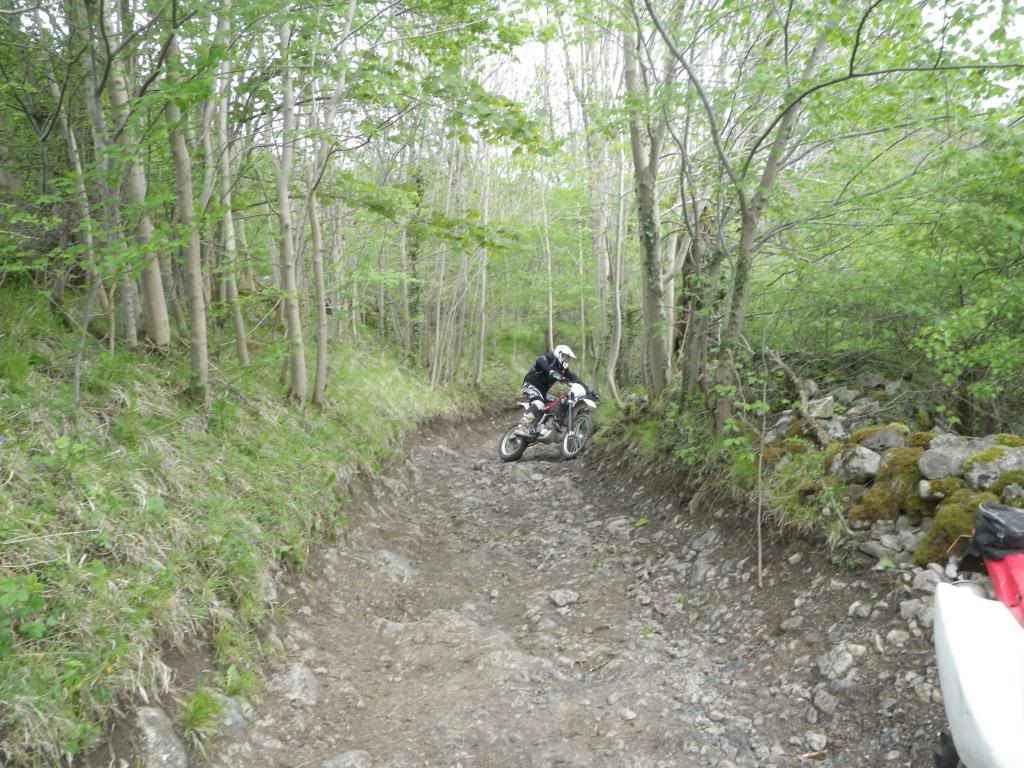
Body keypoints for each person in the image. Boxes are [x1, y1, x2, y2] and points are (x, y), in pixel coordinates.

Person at [515, 344, 581, 437]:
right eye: (565, 356)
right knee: (538, 403)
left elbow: (573, 378)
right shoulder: (551, 357)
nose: (566, 359)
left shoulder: (562, 369)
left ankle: (542, 426)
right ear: (559, 353)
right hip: (531, 384)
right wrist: (551, 371)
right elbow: (540, 361)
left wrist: (586, 389)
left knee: (557, 403)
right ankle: (522, 426)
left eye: (568, 358)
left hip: (542, 392)